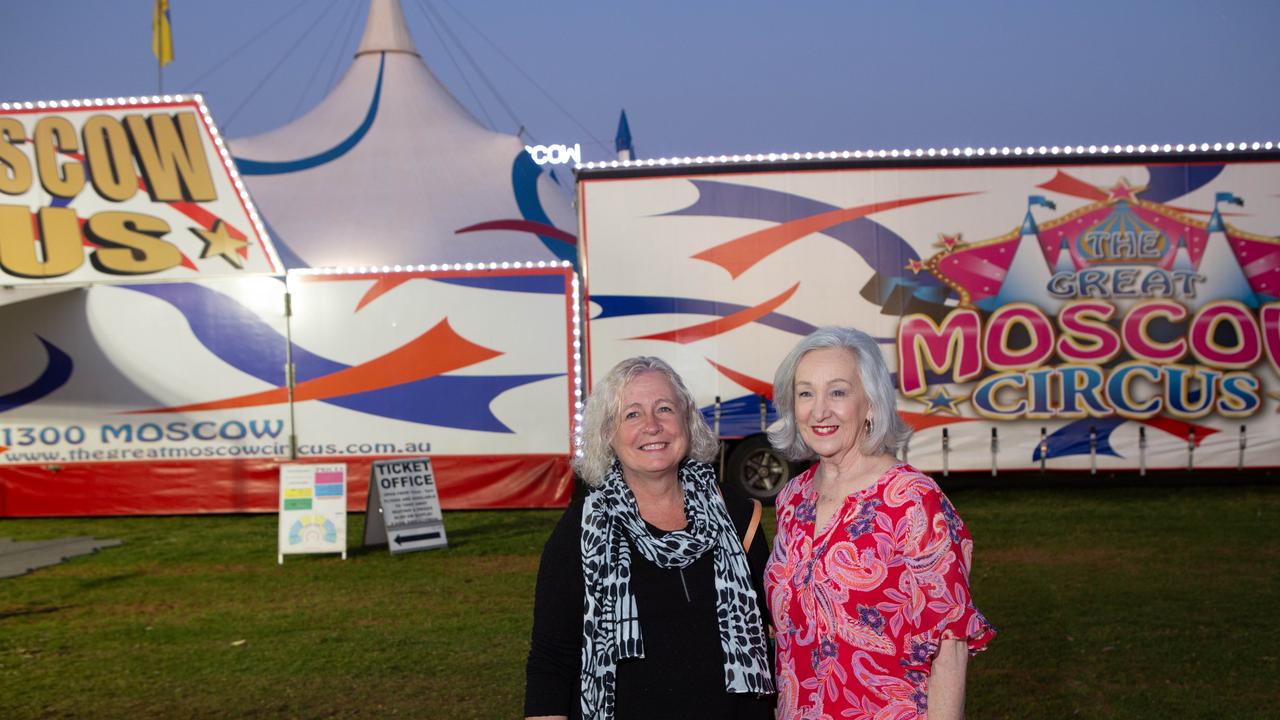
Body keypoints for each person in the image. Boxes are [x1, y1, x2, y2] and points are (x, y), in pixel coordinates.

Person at [525, 356, 775, 720]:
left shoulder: (739, 517)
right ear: (608, 432)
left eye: (664, 409)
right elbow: (552, 659)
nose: (652, 426)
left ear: (687, 421)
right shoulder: (579, 531)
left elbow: (783, 636)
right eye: (632, 415)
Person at [764, 327, 995, 720]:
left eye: (838, 392)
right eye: (806, 393)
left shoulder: (912, 500)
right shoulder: (792, 500)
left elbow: (950, 645)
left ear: (870, 403)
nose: (820, 410)